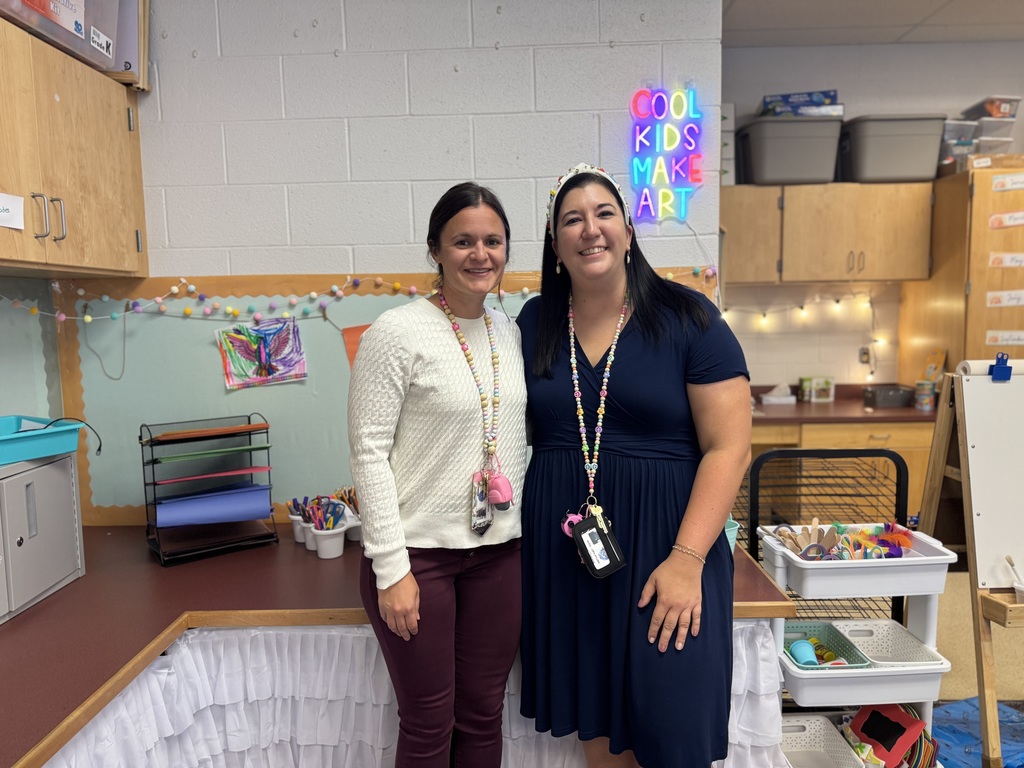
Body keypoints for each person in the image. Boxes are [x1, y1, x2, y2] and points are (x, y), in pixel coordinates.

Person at [516, 163, 752, 768]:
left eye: (604, 214)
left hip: (669, 551)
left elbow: (730, 447)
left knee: (673, 735)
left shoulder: (688, 317)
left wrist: (687, 559)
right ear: (554, 239)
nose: (589, 230)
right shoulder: (533, 324)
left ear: (628, 230)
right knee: (598, 730)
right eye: (572, 219)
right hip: (571, 559)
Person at [347, 182, 527, 767]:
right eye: (463, 241)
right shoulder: (396, 332)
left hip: (498, 554)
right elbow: (368, 452)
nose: (481, 254)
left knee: (482, 716)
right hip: (418, 557)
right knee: (428, 722)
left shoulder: (508, 330)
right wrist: (391, 567)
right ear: (436, 251)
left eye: (493, 241)